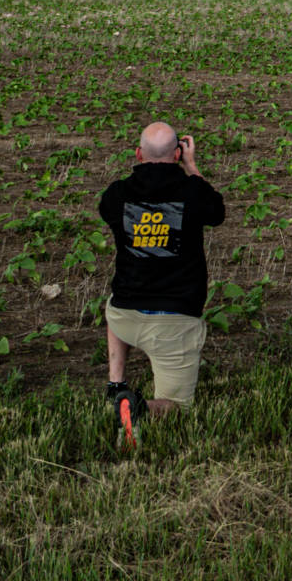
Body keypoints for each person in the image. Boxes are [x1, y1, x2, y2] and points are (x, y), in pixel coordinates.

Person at [96, 120, 226, 448]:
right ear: (177, 153)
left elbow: (106, 211)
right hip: (173, 322)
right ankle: (136, 407)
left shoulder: (117, 194)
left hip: (125, 316)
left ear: (138, 154)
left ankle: (116, 382)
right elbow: (216, 212)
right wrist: (192, 166)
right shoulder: (193, 192)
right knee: (177, 407)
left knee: (114, 302)